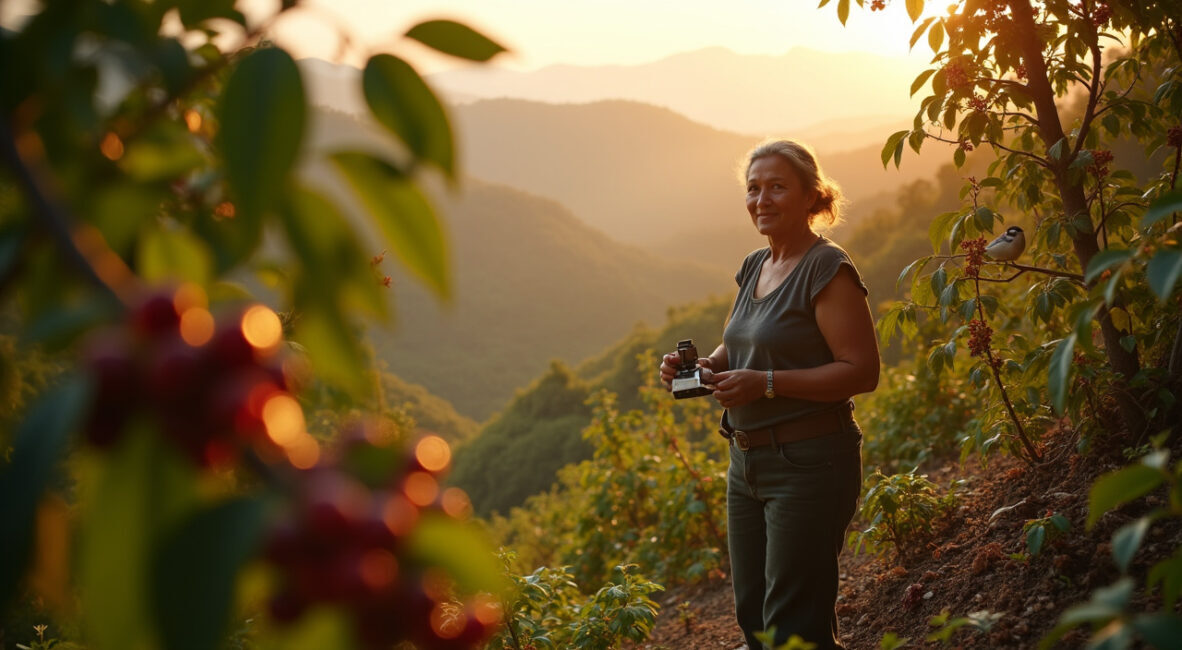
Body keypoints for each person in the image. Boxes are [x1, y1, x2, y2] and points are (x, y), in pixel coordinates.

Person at [659, 139, 879, 649]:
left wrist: (766, 383)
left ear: (811, 196)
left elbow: (862, 371)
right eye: (753, 188)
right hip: (746, 463)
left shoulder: (827, 268)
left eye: (777, 187)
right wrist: (705, 367)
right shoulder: (755, 264)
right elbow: (743, 341)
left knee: (793, 623)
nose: (762, 199)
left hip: (810, 461)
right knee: (754, 615)